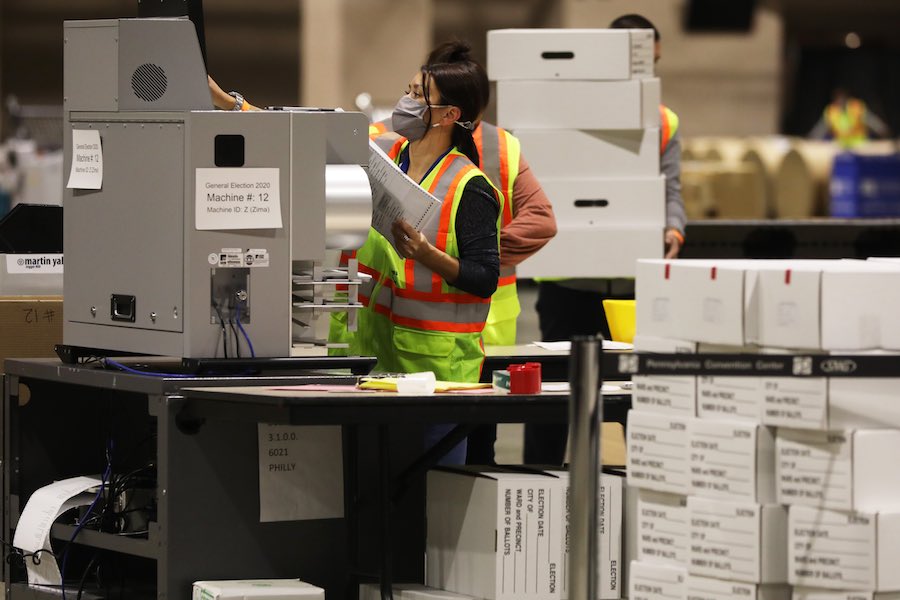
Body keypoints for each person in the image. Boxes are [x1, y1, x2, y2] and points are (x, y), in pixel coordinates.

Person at [525, 13, 687, 466]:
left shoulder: (663, 121)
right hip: (569, 285)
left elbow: (670, 187)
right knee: (554, 404)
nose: (646, 74)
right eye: (639, 63)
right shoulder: (559, 112)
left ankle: (651, 494)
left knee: (641, 402)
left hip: (633, 289)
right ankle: (538, 489)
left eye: (652, 63)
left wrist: (674, 227)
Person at [338, 42, 503, 464]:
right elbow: (309, 134)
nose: (405, 102)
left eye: (417, 95)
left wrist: (429, 255)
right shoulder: (385, 158)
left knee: (430, 503)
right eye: (407, 89)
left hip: (436, 376)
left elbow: (484, 278)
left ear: (449, 115)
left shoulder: (470, 187)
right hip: (371, 362)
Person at [809, 88, 890, 149]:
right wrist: (812, 139)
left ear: (847, 98)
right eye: (838, 98)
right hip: (840, 146)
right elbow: (821, 128)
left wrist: (882, 130)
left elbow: (871, 121)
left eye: (842, 98)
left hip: (860, 145)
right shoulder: (831, 111)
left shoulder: (856, 107)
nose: (840, 100)